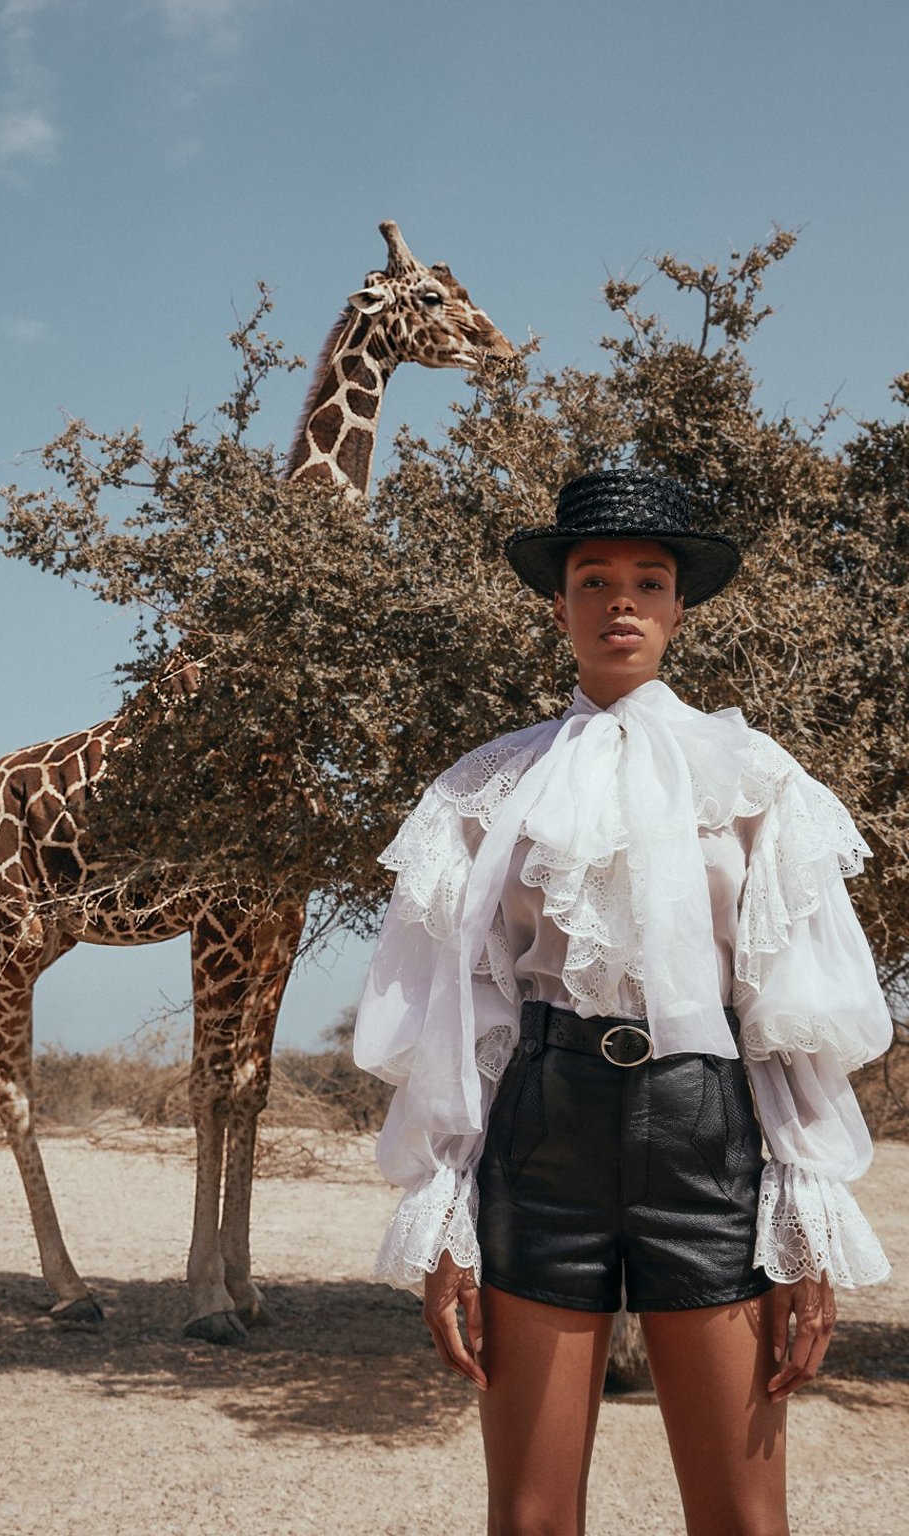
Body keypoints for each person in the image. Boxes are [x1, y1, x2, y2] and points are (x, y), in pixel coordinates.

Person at [354, 470, 892, 1536]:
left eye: (648, 580)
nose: (620, 601)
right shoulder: (486, 788)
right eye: (593, 579)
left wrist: (806, 1223)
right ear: (557, 606)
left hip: (709, 1139)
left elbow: (788, 1017)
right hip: (540, 1137)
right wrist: (446, 1207)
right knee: (532, 1517)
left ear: (680, 607)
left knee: (741, 1517)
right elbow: (458, 1016)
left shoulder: (758, 780)